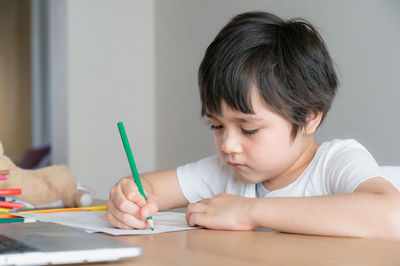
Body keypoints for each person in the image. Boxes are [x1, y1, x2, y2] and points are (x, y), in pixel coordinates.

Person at [107, 11, 400, 240]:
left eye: (248, 130)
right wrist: (129, 199)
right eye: (216, 126)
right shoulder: (228, 172)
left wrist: (248, 212)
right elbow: (148, 188)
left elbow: (392, 217)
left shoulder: (335, 162)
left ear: (310, 116)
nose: (228, 145)